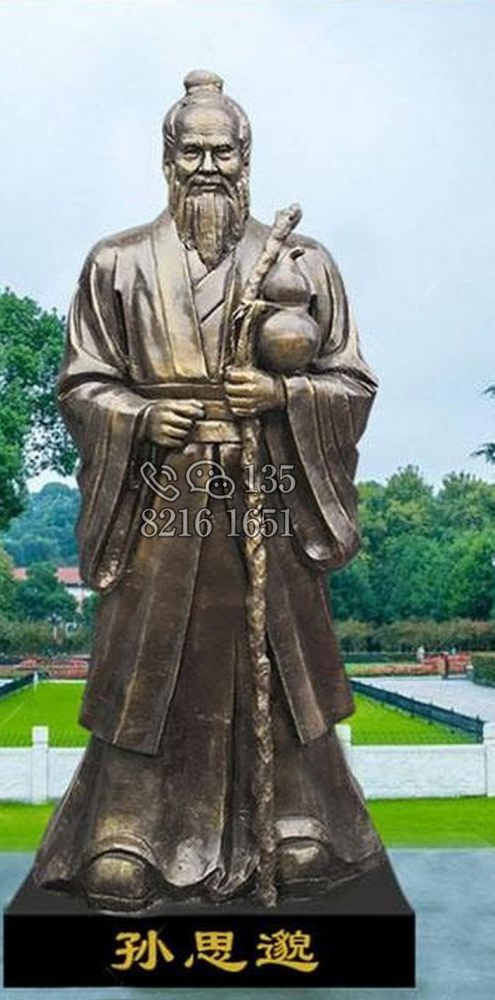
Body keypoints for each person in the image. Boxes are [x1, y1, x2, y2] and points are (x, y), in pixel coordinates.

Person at [33, 70, 384, 911]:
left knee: (281, 661)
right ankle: (127, 834)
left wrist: (284, 396)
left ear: (246, 159)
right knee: (147, 666)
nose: (207, 168)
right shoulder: (117, 263)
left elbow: (352, 382)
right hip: (162, 499)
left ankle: (298, 824)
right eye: (191, 152)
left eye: (223, 152)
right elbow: (82, 383)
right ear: (166, 160)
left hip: (269, 494)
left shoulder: (301, 263)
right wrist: (138, 416)